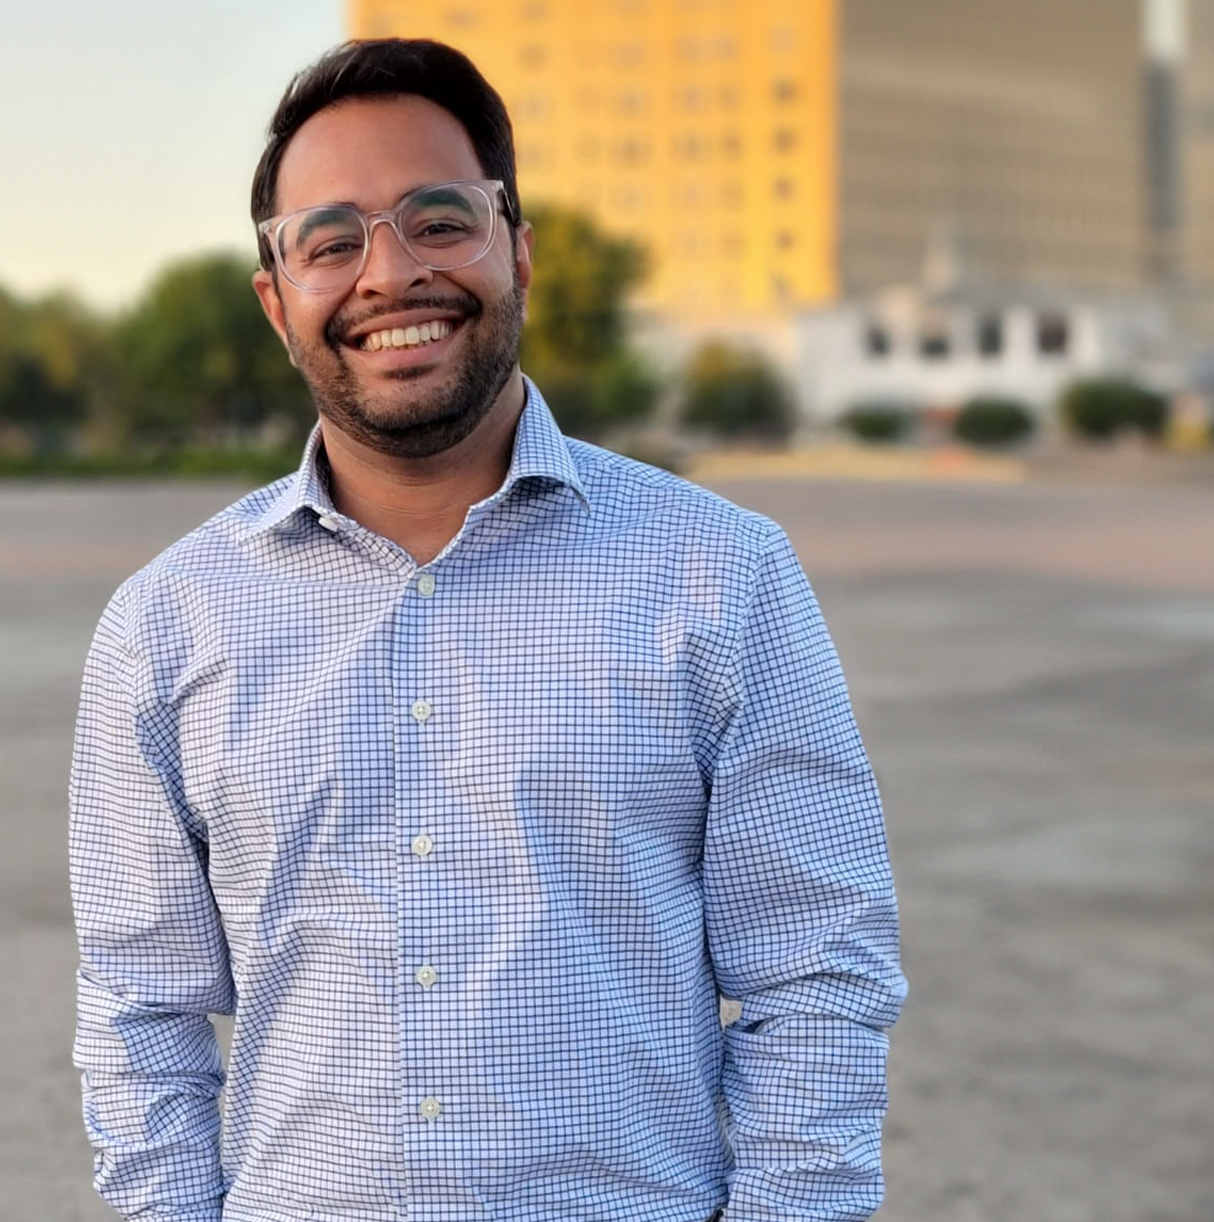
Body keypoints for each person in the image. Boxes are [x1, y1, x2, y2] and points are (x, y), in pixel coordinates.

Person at [69, 37, 905, 1222]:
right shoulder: (165, 627)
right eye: (330, 241)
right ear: (276, 299)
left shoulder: (721, 577)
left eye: (437, 219)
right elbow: (137, 1015)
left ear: (516, 248)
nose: (388, 274)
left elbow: (816, 978)